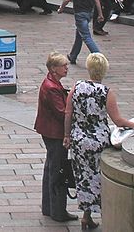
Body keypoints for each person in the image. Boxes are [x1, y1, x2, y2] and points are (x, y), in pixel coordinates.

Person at [64, 53, 134, 229]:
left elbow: (68, 113)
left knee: (84, 178)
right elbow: (118, 120)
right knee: (102, 178)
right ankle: (107, 215)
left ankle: (86, 216)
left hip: (79, 140)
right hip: (98, 142)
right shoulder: (106, 92)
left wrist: (67, 136)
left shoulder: (77, 87)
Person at [34, 53, 78, 223]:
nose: (67, 68)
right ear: (53, 69)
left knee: (51, 167)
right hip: (54, 133)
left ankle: (49, 207)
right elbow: (61, 113)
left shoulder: (51, 83)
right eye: (63, 65)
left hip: (49, 131)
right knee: (58, 171)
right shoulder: (52, 87)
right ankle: (58, 211)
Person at [58, 0, 103, 64]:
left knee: (86, 36)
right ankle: (73, 56)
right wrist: (100, 14)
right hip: (89, 13)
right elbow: (97, 0)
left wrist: (61, 8)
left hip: (79, 13)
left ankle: (100, 58)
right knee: (79, 34)